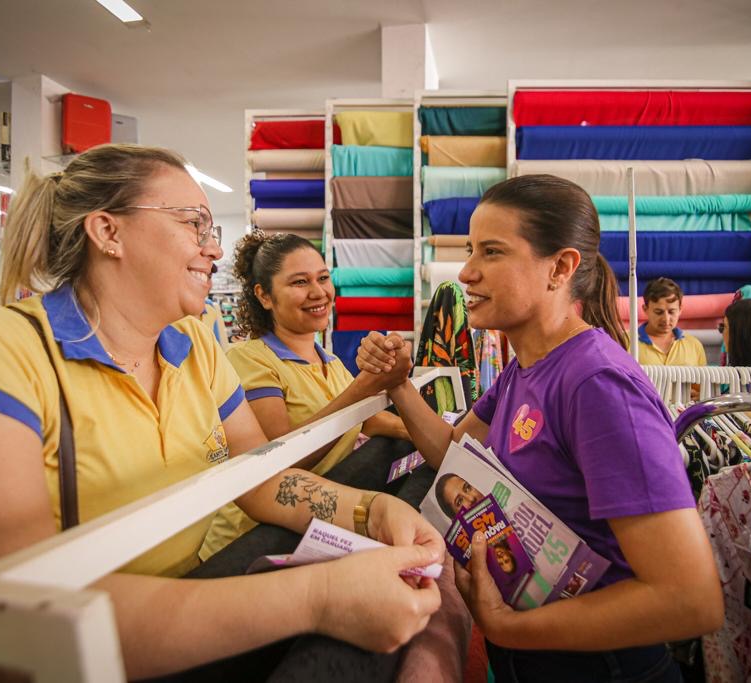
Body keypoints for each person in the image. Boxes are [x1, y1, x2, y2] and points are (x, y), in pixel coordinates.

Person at [0, 144, 443, 680]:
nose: (214, 250)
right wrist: (317, 599)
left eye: (211, 229)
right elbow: (10, 623)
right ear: (108, 232)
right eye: (193, 224)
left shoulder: (195, 346)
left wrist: (372, 512)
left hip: (190, 610)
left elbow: (260, 477)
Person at [358, 175, 723, 682]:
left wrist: (508, 627)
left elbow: (690, 599)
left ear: (560, 268)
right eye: (470, 250)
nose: (466, 272)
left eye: (491, 252)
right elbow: (453, 454)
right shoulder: (523, 369)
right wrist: (398, 384)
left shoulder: (597, 386)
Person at [199, 230, 412, 557]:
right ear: (265, 296)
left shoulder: (331, 361)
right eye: (300, 282)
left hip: (307, 528)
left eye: (323, 278)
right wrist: (363, 388)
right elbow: (279, 461)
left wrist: (429, 432)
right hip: (252, 542)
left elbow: (364, 421)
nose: (318, 292)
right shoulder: (250, 359)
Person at [634, 277, 706, 366]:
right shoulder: (626, 343)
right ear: (645, 309)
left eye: (671, 312)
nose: (666, 319)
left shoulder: (694, 346)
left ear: (680, 309)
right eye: (658, 312)